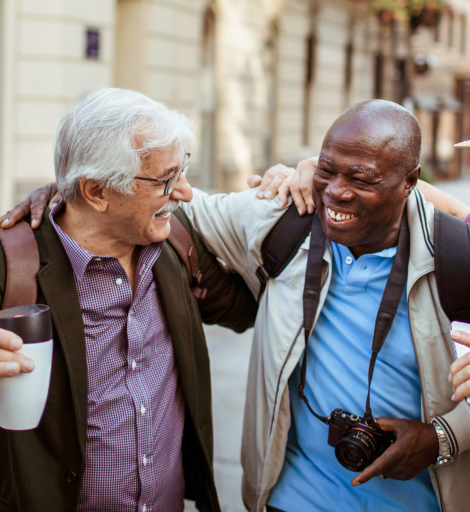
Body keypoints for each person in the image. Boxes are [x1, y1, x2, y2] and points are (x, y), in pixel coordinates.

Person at [5, 99, 470, 512]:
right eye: (328, 169)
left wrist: (443, 438)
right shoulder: (282, 221)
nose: (337, 193)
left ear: (409, 180)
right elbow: (140, 203)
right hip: (289, 497)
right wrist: (62, 196)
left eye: (361, 177)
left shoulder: (457, 258)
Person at [0, 87, 262, 512]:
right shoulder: (12, 266)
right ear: (97, 191)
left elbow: (251, 307)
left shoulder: (176, 245)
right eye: (164, 180)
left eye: (182, 171)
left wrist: (301, 189)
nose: (183, 192)